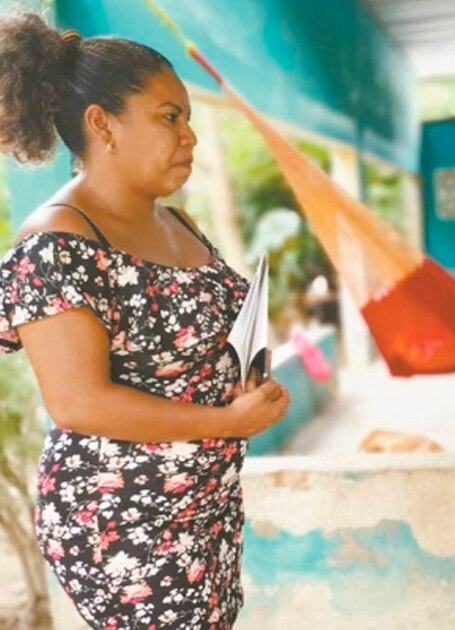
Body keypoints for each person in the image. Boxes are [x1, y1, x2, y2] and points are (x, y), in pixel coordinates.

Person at [0, 14, 290, 628]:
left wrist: (248, 385)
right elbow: (80, 403)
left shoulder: (176, 223)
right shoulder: (55, 243)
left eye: (186, 118)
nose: (189, 137)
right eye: (169, 117)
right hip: (123, 523)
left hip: (203, 505)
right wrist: (226, 420)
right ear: (102, 124)